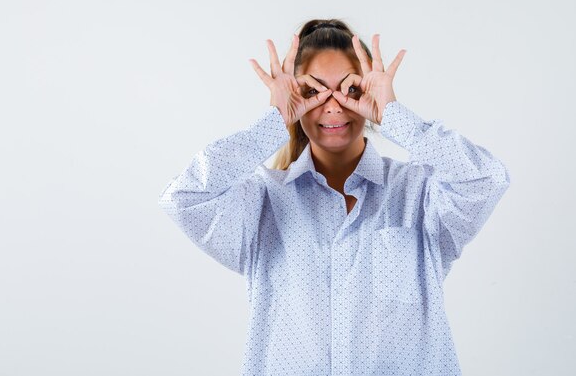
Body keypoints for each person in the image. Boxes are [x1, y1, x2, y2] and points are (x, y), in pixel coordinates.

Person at [158, 19, 510, 376]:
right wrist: (274, 122)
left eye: (351, 89)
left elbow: (488, 179)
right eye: (312, 92)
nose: (333, 105)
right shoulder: (263, 200)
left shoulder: (419, 193)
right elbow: (183, 198)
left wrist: (394, 116)